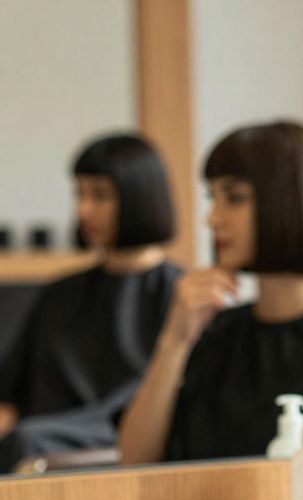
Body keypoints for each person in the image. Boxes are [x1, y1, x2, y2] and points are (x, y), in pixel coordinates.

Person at [119, 120, 303, 464]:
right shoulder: (219, 329)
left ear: (289, 202)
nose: (212, 218)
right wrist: (173, 341)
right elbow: (134, 462)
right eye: (212, 197)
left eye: (233, 198)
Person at [0, 133, 181, 473]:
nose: (84, 210)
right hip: (30, 442)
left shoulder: (180, 297)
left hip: (108, 448)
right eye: (80, 194)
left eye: (101, 196)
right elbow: (10, 391)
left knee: (27, 440)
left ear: (139, 197)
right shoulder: (60, 293)